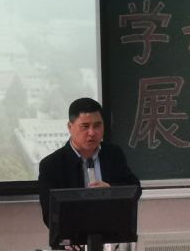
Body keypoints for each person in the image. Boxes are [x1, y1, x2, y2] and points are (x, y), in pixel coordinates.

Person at [38, 97, 141, 226]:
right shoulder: (51, 165)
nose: (92, 133)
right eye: (85, 126)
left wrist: (111, 190)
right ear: (70, 127)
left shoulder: (113, 153)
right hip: (74, 235)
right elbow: (50, 215)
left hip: (112, 231)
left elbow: (135, 188)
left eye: (97, 126)